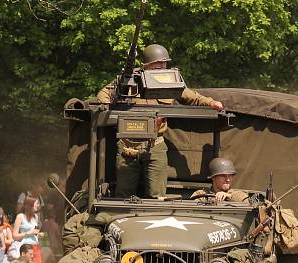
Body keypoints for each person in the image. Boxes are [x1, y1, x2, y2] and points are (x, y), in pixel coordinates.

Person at [96, 44, 224, 199]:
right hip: (128, 145)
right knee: (124, 195)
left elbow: (191, 96)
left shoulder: (169, 80)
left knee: (157, 196)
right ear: (147, 64)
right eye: (158, 63)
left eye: (164, 63)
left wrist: (211, 103)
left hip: (155, 145)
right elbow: (103, 94)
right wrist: (109, 108)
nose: (162, 66)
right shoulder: (130, 79)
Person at [12, 196, 44, 263]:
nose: (38, 205)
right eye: (37, 203)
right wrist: (28, 233)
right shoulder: (20, 216)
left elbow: (34, 231)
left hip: (36, 246)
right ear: (31, 205)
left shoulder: (35, 217)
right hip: (26, 247)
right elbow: (14, 236)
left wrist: (38, 234)